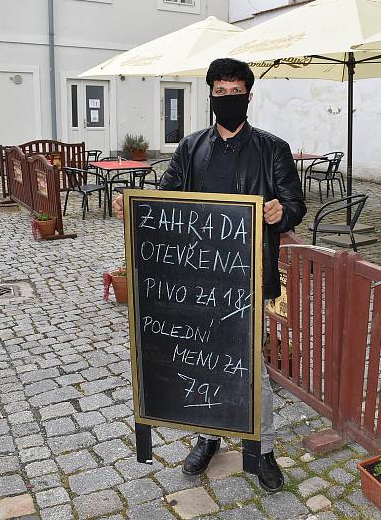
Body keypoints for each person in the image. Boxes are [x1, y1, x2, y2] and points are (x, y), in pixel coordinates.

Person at [112, 58, 306, 492]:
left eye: (235, 92)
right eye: (220, 93)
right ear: (211, 97)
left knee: (250, 367)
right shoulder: (191, 147)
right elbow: (166, 201)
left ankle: (264, 449)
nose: (228, 99)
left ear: (248, 97)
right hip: (195, 282)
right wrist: (135, 206)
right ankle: (208, 437)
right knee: (203, 361)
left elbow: (295, 203)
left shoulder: (272, 148)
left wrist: (280, 211)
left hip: (248, 282)